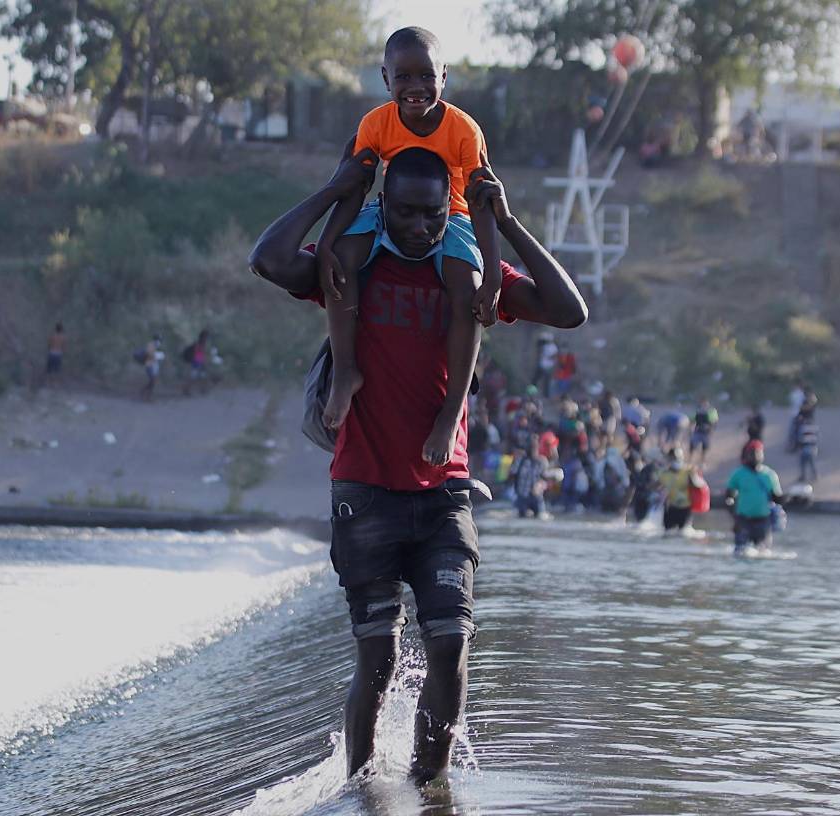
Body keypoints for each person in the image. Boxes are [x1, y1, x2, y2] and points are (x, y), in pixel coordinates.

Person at [248, 140, 587, 783]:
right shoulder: (353, 265)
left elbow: (569, 310)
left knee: (451, 645)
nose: (421, 227)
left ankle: (426, 790)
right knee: (374, 660)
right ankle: (358, 785)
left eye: (433, 214)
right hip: (364, 490)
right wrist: (332, 189)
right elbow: (267, 259)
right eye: (405, 213)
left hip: (443, 494)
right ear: (383, 207)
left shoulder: (465, 265)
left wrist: (507, 224)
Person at [315, 27, 502, 466]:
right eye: (403, 77)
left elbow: (482, 200)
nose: (415, 88)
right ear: (385, 79)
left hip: (450, 215)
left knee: (465, 286)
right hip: (388, 212)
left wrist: (492, 272)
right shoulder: (375, 124)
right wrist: (326, 243)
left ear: (444, 76)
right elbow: (354, 188)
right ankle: (345, 370)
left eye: (426, 76)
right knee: (344, 259)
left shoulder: (463, 130)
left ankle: (451, 410)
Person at [725, 440, 784, 555]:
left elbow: (777, 499)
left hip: (763, 520)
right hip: (743, 519)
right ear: (747, 455)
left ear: (762, 455)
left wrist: (792, 499)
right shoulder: (738, 474)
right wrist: (734, 515)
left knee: (763, 553)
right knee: (740, 552)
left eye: (758, 453)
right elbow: (728, 496)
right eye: (752, 453)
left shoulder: (769, 475)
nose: (755, 456)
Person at [512, 436, 552, 519]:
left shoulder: (542, 461)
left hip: (537, 497)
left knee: (541, 517)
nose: (533, 449)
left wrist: (541, 485)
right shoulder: (520, 460)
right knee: (521, 518)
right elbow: (512, 474)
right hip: (522, 496)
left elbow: (547, 478)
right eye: (531, 447)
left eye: (535, 447)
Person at [658, 448, 694, 533]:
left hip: (685, 508)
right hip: (670, 508)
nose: (674, 460)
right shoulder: (664, 473)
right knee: (668, 533)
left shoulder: (687, 472)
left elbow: (696, 486)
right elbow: (656, 486)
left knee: (683, 532)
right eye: (672, 458)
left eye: (677, 458)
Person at [689, 398, 718, 466]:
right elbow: (692, 420)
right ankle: (690, 460)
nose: (704, 405)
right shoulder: (697, 411)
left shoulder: (711, 411)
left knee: (704, 448)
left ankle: (702, 462)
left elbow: (714, 422)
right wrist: (691, 429)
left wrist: (711, 430)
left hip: (706, 432)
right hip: (698, 431)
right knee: (692, 445)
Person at [796, 411, 820, 484]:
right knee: (812, 463)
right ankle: (815, 475)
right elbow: (817, 439)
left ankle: (803, 476)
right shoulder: (815, 428)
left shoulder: (803, 428)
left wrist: (798, 447)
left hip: (805, 448)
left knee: (802, 463)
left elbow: (800, 439)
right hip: (813, 448)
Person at [140, 333, 165, 401]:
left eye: (160, 339)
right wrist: (158, 355)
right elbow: (149, 354)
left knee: (152, 382)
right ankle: (147, 397)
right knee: (153, 381)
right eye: (158, 339)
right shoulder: (151, 345)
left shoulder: (158, 346)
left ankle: (144, 392)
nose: (159, 341)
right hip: (149, 365)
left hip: (155, 365)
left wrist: (160, 356)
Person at [534, 332, 557, 398]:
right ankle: (532, 392)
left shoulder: (553, 347)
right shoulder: (544, 346)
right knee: (535, 379)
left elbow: (554, 356)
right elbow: (538, 348)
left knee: (546, 382)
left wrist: (548, 356)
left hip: (548, 366)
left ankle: (546, 395)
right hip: (541, 365)